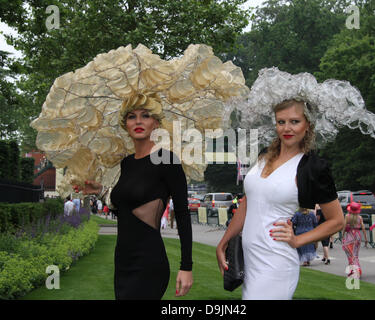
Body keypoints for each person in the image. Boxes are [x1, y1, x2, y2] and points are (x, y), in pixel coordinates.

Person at [216, 98, 344, 300]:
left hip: (276, 260)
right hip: (249, 259)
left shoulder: (313, 167)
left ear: (307, 124)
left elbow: (337, 220)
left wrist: (298, 240)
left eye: (294, 121)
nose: (287, 128)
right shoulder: (265, 155)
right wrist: (223, 242)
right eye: (281, 121)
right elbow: (249, 202)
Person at [75, 91, 193, 299]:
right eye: (132, 116)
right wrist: (100, 191)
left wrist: (186, 267)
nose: (138, 121)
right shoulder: (127, 163)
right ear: (125, 124)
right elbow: (126, 209)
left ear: (156, 123)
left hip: (148, 262)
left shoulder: (167, 161)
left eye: (145, 115)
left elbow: (183, 215)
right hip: (123, 260)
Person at [341, 202, 368, 278]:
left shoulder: (347, 216)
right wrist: (365, 239)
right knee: (355, 254)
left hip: (349, 236)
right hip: (357, 236)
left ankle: (353, 270)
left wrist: (342, 236)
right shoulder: (359, 218)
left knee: (350, 254)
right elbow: (363, 228)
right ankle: (356, 269)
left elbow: (344, 227)